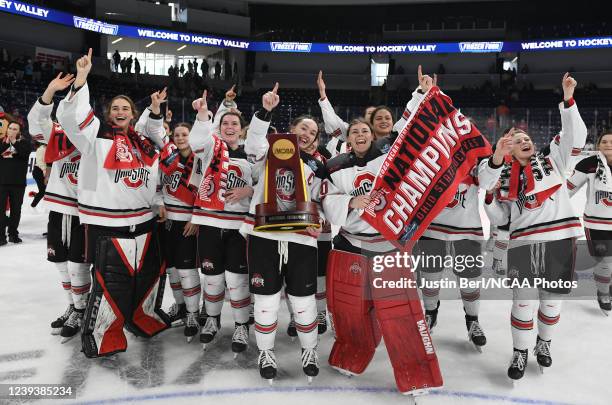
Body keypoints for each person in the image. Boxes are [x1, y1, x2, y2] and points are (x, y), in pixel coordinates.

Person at [56, 49, 169, 357]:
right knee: (111, 280)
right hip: (107, 222)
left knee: (146, 276)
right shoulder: (95, 135)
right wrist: (81, 80)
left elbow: (153, 179)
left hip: (143, 220)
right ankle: (105, 331)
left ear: (133, 114)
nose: (120, 111)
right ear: (108, 114)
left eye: (126, 108)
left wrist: (158, 202)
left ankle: (141, 316)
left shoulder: (144, 144)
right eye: (115, 107)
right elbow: (69, 117)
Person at [483, 73, 586, 381]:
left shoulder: (553, 158)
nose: (524, 140)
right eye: (517, 139)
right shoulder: (501, 178)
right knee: (523, 300)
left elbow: (575, 136)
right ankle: (520, 350)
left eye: (526, 137)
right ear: (507, 148)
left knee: (552, 299)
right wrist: (490, 196)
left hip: (560, 239)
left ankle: (544, 343)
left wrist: (568, 99)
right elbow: (500, 218)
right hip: (523, 244)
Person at [241, 83, 326, 383]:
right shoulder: (268, 153)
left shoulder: (316, 167)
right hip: (265, 235)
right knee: (265, 300)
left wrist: (321, 219)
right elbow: (252, 145)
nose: (306, 134)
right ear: (291, 129)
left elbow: (321, 201)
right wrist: (265, 111)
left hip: (302, 239)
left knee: (303, 301)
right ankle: (266, 352)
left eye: (312, 132)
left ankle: (310, 349)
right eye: (303, 127)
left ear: (315, 141)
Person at [189, 86, 255, 355]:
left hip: (239, 227)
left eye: (234, 123)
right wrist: (204, 114)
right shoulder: (209, 150)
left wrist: (248, 190)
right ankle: (213, 319)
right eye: (225, 122)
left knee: (237, 279)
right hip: (210, 223)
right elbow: (196, 140)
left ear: (242, 129)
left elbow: (263, 186)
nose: (229, 127)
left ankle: (241, 325)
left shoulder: (252, 155)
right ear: (219, 126)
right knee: (213, 278)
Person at [27, 72, 92, 342]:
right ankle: (75, 306)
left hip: (84, 211)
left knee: (78, 265)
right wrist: (49, 92)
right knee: (61, 264)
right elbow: (35, 124)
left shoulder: (94, 134)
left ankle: (81, 308)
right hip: (59, 207)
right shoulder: (58, 133)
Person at [158, 121, 201, 342]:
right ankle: (181, 306)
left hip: (188, 222)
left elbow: (206, 192)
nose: (181, 138)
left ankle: (194, 313)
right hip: (168, 223)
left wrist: (196, 218)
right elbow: (158, 186)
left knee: (187, 269)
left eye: (185, 134)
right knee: (172, 269)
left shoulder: (200, 160)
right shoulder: (167, 159)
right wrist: (159, 203)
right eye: (177, 134)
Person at [566, 131, 612, 315]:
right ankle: (603, 293)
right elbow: (568, 189)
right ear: (598, 145)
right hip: (597, 224)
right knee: (606, 262)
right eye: (604, 141)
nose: (608, 144)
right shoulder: (589, 164)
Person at [0, 120, 29, 245]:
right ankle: (1, 236)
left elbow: (24, 153)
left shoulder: (24, 144)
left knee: (16, 210)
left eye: (15, 129)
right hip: (2, 183)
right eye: (10, 128)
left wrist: (14, 142)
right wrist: (6, 143)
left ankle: (13, 234)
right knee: (1, 210)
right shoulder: (1, 143)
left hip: (18, 184)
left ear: (19, 132)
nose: (11, 131)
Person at [31, 141, 46, 207]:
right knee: (42, 191)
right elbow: (40, 162)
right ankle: (33, 205)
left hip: (44, 171)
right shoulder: (41, 149)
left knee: (46, 190)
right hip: (38, 171)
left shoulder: (47, 148)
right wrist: (44, 170)